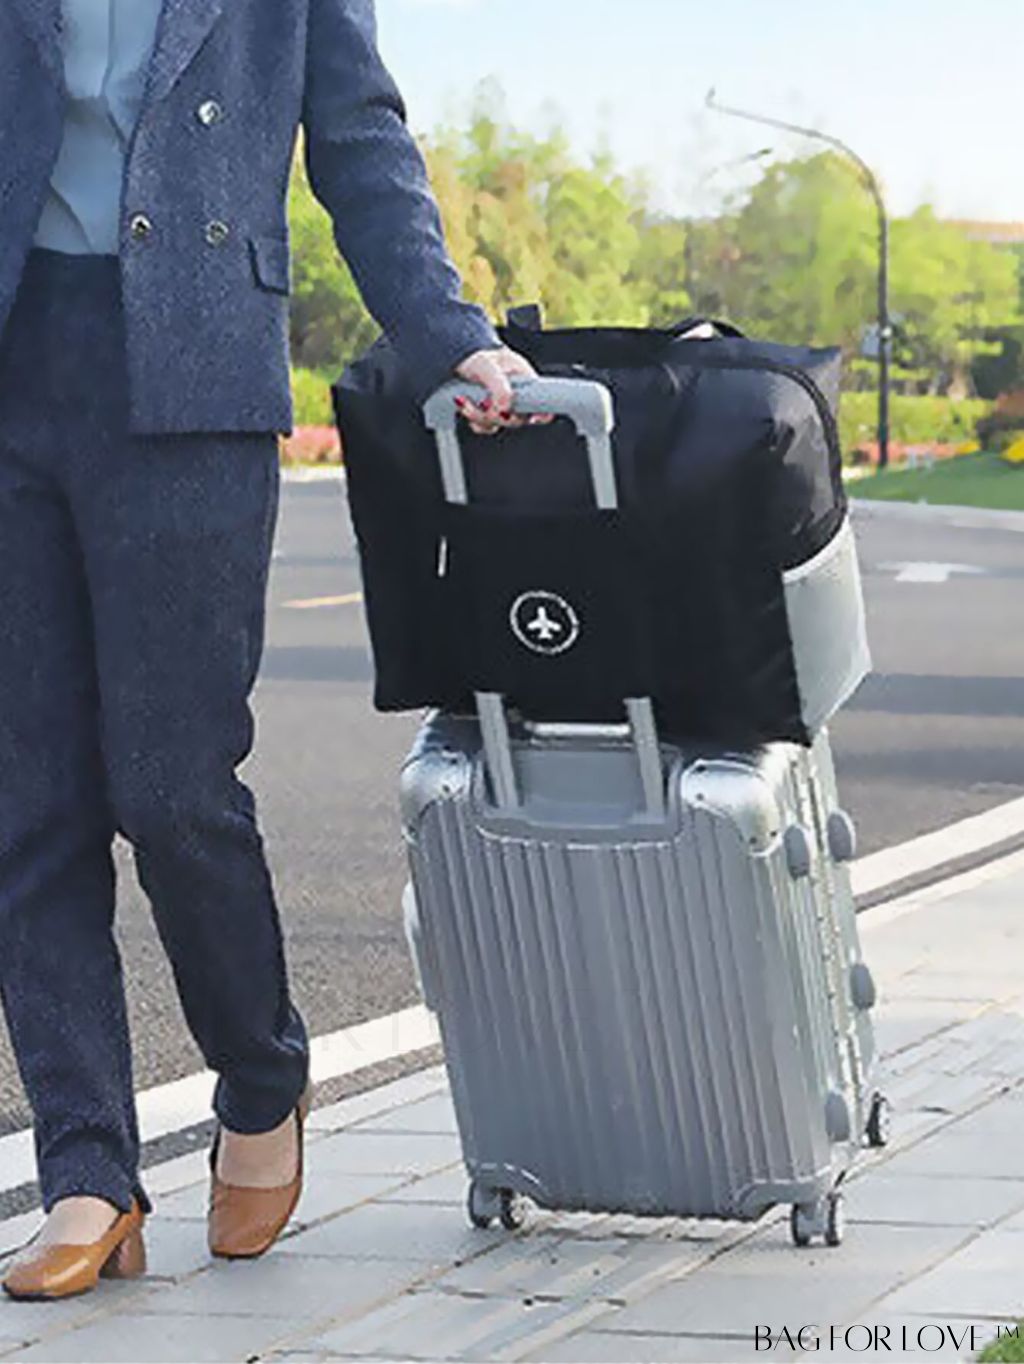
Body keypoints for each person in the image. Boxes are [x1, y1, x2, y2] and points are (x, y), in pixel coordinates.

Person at [0, 0, 534, 1301]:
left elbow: (357, 136)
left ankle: (259, 1073)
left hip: (189, 360)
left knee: (173, 786)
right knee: (29, 804)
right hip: (17, 354)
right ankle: (88, 1171)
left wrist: (447, 330)